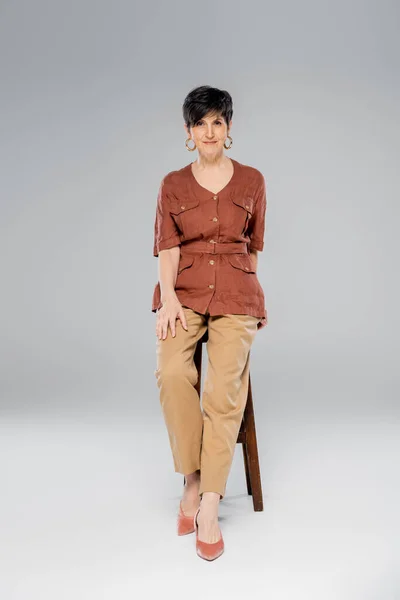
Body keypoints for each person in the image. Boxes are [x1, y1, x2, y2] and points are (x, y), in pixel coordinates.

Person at [151, 85, 268, 561]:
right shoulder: (173, 184)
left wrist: (247, 302)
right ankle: (193, 477)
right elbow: (167, 247)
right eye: (200, 124)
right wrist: (169, 301)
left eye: (217, 122)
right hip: (185, 290)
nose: (209, 131)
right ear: (188, 132)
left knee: (224, 392)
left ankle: (209, 503)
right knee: (172, 371)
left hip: (237, 292)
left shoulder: (254, 180)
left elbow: (254, 248)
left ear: (229, 129)